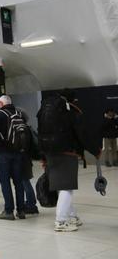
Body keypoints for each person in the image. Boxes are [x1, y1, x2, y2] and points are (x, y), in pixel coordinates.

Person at [38, 89, 101, 232]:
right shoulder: (70, 112)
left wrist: (43, 157)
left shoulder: (47, 110)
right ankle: (61, 221)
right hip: (67, 153)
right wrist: (95, 150)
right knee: (67, 188)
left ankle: (72, 216)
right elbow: (82, 134)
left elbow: (40, 133)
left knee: (62, 187)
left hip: (49, 153)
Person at [0, 95, 27, 220]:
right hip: (18, 152)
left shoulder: (0, 115)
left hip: (3, 153)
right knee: (18, 182)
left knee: (5, 182)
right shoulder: (19, 113)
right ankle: (21, 210)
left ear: (0, 103)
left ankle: (8, 211)